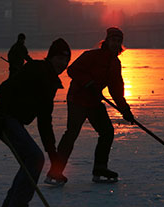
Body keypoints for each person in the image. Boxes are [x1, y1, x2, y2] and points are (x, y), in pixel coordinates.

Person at [0, 38, 71, 207]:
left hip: (12, 120)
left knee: (31, 159)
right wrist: (0, 115)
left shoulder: (51, 83)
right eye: (60, 58)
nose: (63, 64)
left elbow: (45, 121)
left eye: (66, 61)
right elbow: (6, 87)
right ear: (51, 57)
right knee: (34, 158)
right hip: (3, 117)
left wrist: (53, 154)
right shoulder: (37, 69)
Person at [45, 27, 134, 186]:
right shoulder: (92, 55)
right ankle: (55, 171)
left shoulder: (115, 63)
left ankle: (100, 168)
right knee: (71, 134)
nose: (116, 43)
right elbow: (72, 70)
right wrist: (89, 83)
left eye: (119, 41)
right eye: (113, 40)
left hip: (94, 102)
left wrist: (125, 109)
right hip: (77, 99)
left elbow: (116, 89)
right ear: (106, 41)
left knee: (107, 132)